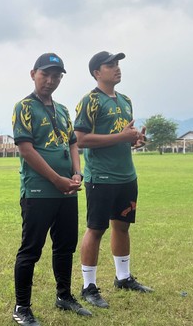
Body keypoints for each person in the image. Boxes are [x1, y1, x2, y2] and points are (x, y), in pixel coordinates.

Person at [11, 53, 92, 326]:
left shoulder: (63, 110)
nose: (50, 80)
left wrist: (77, 172)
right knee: (31, 249)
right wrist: (56, 179)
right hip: (38, 191)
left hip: (66, 191)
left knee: (65, 246)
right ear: (33, 73)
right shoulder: (24, 107)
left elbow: (72, 144)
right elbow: (25, 149)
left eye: (56, 75)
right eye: (45, 74)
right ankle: (22, 307)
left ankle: (64, 296)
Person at [73, 51, 152, 310]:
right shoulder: (90, 101)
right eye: (110, 65)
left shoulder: (125, 100)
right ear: (97, 72)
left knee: (122, 226)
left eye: (117, 64)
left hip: (126, 176)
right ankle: (89, 286)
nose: (116, 69)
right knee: (96, 229)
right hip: (101, 177)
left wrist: (135, 141)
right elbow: (81, 139)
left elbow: (123, 138)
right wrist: (121, 137)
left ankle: (123, 278)